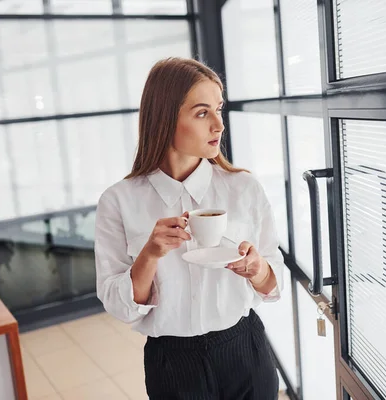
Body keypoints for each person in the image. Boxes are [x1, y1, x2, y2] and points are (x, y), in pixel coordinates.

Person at [94, 57, 284, 399]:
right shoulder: (118, 201)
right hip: (172, 363)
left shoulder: (244, 188)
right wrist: (149, 254)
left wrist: (257, 269)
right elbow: (118, 305)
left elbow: (273, 284)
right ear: (165, 119)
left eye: (218, 109)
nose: (218, 125)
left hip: (244, 350)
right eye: (201, 113)